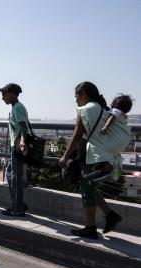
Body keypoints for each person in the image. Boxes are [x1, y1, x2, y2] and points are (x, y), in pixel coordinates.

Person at [59, 81, 125, 238]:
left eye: (76, 96)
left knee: (87, 191)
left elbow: (77, 135)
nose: (76, 100)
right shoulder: (103, 108)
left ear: (83, 95)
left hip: (90, 155)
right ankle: (110, 215)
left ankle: (90, 228)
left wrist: (65, 156)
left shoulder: (84, 109)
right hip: (103, 155)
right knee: (88, 186)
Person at [0, 83, 29, 216]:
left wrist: (22, 142)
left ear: (12, 93)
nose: (2, 97)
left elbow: (23, 127)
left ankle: (18, 208)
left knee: (15, 177)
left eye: (4, 94)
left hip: (17, 146)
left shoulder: (18, 108)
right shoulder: (15, 107)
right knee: (10, 173)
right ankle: (18, 203)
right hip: (14, 146)